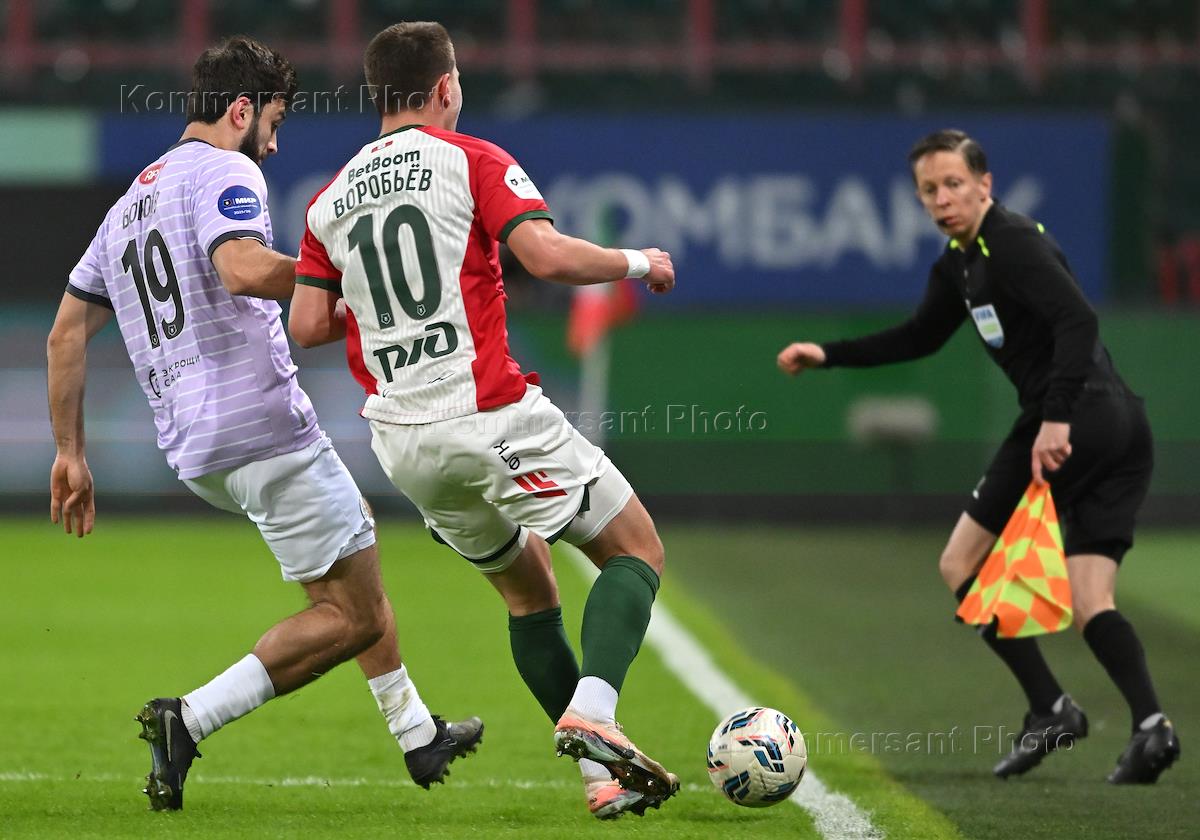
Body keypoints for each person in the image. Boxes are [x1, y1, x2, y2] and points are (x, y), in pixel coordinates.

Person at [46, 36, 482, 812]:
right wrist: (347, 276)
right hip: (262, 427)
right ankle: (189, 718)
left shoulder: (127, 207)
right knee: (353, 614)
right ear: (242, 110)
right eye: (274, 123)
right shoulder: (227, 170)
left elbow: (65, 335)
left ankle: (417, 734)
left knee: (348, 560)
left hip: (194, 450)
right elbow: (242, 267)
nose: (275, 144)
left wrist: (70, 454)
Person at [287, 21, 679, 820]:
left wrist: (383, 312)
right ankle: (595, 710)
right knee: (635, 549)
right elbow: (547, 256)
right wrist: (640, 262)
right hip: (488, 412)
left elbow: (306, 324)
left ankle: (601, 779)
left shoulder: (330, 198)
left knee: (529, 595)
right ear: (445, 87)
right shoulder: (472, 159)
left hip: (402, 443)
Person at [776, 129, 1180, 784]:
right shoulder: (959, 264)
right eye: (928, 190)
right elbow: (919, 337)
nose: (942, 199)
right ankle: (1151, 725)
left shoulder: (1009, 242)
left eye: (953, 184)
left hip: (1073, 417)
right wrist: (829, 354)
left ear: (984, 185)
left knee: (959, 562)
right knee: (1091, 598)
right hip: (1120, 424)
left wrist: (1055, 419)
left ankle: (1051, 707)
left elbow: (1079, 320)